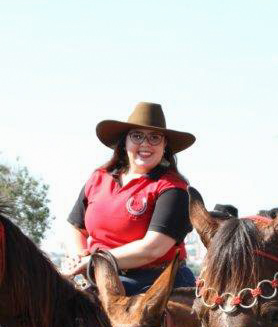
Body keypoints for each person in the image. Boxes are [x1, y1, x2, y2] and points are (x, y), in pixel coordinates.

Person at [62, 102, 196, 295]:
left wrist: (95, 261)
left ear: (165, 145)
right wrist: (79, 257)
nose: (145, 143)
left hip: (156, 283)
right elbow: (75, 226)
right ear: (125, 142)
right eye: (137, 136)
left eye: (154, 138)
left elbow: (153, 248)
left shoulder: (173, 189)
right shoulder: (99, 177)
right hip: (100, 276)